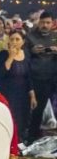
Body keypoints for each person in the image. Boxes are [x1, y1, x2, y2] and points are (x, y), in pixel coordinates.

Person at [0, 29, 35, 140]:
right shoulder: (3, 54)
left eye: (17, 39)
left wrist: (32, 94)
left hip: (23, 93)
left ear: (23, 42)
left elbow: (28, 76)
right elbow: (1, 73)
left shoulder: (26, 55)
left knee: (22, 118)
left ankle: (19, 141)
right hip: (8, 93)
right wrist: (11, 57)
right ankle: (8, 142)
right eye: (12, 39)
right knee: (10, 118)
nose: (14, 41)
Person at [26, 10, 57, 143]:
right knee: (35, 109)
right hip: (35, 78)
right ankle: (30, 136)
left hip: (51, 78)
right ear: (39, 23)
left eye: (48, 22)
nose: (45, 25)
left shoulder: (55, 36)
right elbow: (24, 57)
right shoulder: (30, 36)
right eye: (43, 22)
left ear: (52, 23)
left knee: (46, 108)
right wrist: (32, 51)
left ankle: (37, 133)